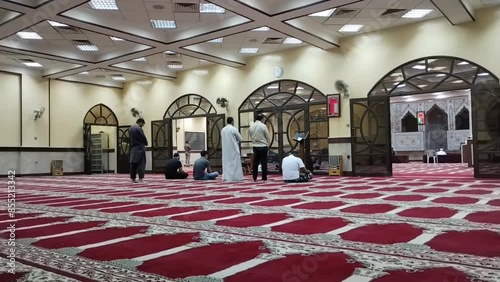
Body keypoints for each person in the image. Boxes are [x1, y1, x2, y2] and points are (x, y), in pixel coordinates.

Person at [221, 117, 244, 181]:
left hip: (225, 150)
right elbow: (240, 139)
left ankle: (227, 177)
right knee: (235, 164)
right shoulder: (233, 129)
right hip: (233, 149)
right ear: (232, 121)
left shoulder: (223, 129)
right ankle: (236, 177)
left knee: (227, 164)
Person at [249, 113, 270, 181]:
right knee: (264, 162)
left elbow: (251, 135)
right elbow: (267, 136)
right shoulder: (263, 126)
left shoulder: (251, 126)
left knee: (256, 163)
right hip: (263, 146)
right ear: (262, 119)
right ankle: (264, 177)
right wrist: (268, 144)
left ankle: (254, 177)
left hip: (255, 146)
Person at [129, 118, 148, 183]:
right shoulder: (139, 128)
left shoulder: (130, 128)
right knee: (141, 164)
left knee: (133, 164)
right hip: (140, 148)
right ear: (141, 122)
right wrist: (146, 143)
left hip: (133, 149)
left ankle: (133, 179)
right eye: (142, 124)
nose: (142, 125)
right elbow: (143, 137)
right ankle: (141, 179)